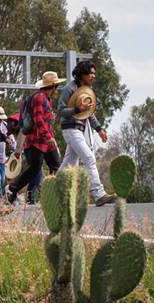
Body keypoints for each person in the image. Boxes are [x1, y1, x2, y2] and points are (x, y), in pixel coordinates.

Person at [57, 60, 116, 207]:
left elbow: (89, 112)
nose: (93, 77)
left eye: (94, 74)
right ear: (82, 74)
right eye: (91, 74)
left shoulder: (86, 90)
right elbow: (60, 111)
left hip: (79, 130)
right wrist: (77, 109)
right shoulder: (69, 89)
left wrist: (99, 129)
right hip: (70, 129)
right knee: (89, 157)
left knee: (68, 164)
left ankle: (52, 189)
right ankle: (99, 193)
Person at [6, 72, 65, 204]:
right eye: (56, 86)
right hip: (37, 141)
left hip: (45, 140)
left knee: (55, 165)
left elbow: (44, 120)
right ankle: (12, 189)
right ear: (53, 86)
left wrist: (51, 133)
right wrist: (48, 136)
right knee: (34, 169)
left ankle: (53, 195)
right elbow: (38, 120)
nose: (57, 90)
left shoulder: (46, 99)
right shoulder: (39, 98)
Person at [0, 106, 15, 197]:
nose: (0, 120)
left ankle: (1, 199)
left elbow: (12, 140)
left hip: (2, 159)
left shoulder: (5, 126)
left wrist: (14, 149)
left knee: (2, 180)